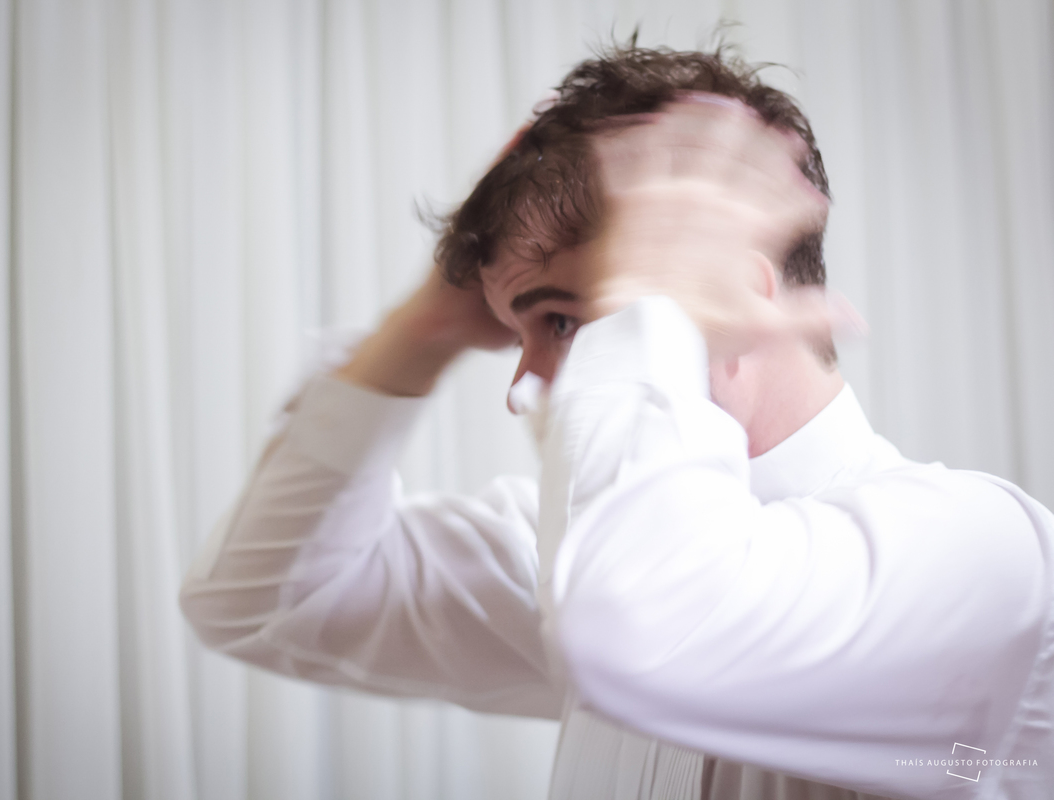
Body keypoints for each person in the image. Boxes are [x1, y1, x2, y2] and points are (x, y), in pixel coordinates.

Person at [179, 44, 1054, 800]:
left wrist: (651, 290)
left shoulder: (980, 556)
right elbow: (261, 603)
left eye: (561, 321)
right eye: (523, 329)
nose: (525, 386)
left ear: (739, 302)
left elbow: (645, 626)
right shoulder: (585, 553)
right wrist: (425, 331)